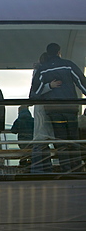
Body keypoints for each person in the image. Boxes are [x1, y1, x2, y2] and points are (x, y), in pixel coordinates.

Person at [30, 43, 86, 172]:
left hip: (53, 111)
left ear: (48, 53)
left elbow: (35, 92)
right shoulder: (68, 65)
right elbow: (81, 82)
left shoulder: (43, 69)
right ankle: (76, 169)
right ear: (59, 52)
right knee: (73, 140)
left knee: (61, 142)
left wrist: (48, 86)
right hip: (70, 109)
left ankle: (66, 169)